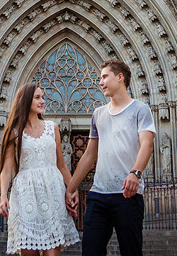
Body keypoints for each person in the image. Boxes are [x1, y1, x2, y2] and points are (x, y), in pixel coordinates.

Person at [65, 60, 156, 256]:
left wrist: (135, 173)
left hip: (128, 194)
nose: (100, 82)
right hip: (98, 195)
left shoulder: (140, 109)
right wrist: (70, 188)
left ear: (120, 77)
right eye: (100, 78)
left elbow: (147, 144)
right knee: (90, 251)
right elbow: (89, 155)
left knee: (131, 252)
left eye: (105, 76)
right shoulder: (98, 114)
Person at [0, 84, 80, 255]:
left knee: (53, 252)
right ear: (26, 100)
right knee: (29, 252)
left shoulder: (53, 128)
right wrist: (3, 196)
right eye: (37, 97)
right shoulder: (14, 133)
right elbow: (6, 170)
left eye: (43, 97)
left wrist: (72, 189)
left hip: (52, 193)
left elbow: (62, 165)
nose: (42, 101)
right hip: (25, 195)